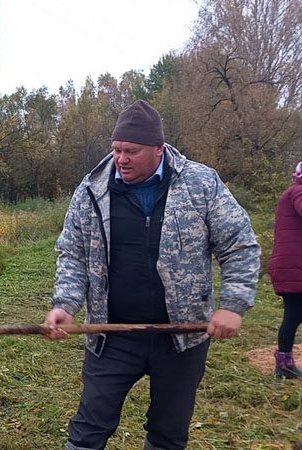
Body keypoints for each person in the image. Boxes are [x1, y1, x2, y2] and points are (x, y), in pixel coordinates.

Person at [42, 100, 260, 450]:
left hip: (181, 338)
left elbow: (240, 245)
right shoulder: (91, 191)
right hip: (112, 335)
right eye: (116, 150)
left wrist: (233, 305)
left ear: (158, 149)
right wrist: (65, 304)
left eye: (132, 150)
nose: (121, 159)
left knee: (167, 436)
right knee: (87, 431)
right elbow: (73, 254)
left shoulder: (199, 184)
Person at [267, 162, 302, 379]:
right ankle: (284, 364)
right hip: (294, 267)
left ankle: (284, 363)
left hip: (292, 265)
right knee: (293, 315)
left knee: (294, 315)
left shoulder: (293, 191)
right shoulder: (298, 191)